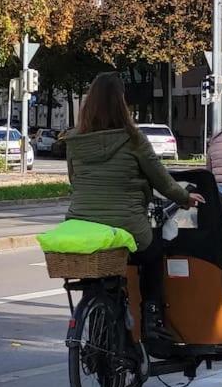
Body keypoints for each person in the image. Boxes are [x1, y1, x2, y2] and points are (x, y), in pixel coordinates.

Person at [64, 72, 203, 342]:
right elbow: (161, 180)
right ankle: (152, 317)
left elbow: (74, 180)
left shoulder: (74, 140)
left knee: (99, 268)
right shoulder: (134, 139)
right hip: (126, 226)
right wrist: (185, 198)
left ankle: (96, 322)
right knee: (153, 254)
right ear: (122, 102)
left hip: (83, 226)